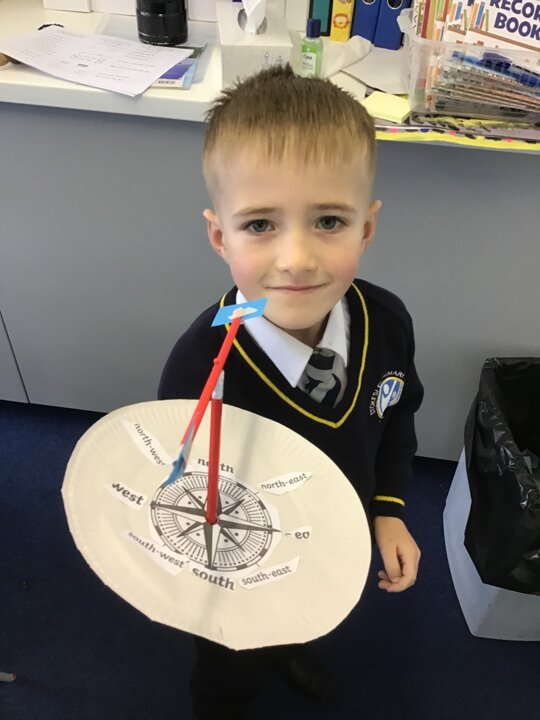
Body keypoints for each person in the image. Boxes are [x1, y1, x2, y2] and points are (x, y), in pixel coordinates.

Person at [158, 64, 423, 719]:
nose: (298, 258)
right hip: (237, 559)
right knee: (228, 662)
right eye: (260, 225)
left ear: (366, 229)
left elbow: (397, 419)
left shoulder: (387, 321)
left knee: (304, 612)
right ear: (220, 236)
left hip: (327, 538)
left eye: (329, 220)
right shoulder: (202, 365)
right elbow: (177, 485)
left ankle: (287, 646)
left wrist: (388, 509)